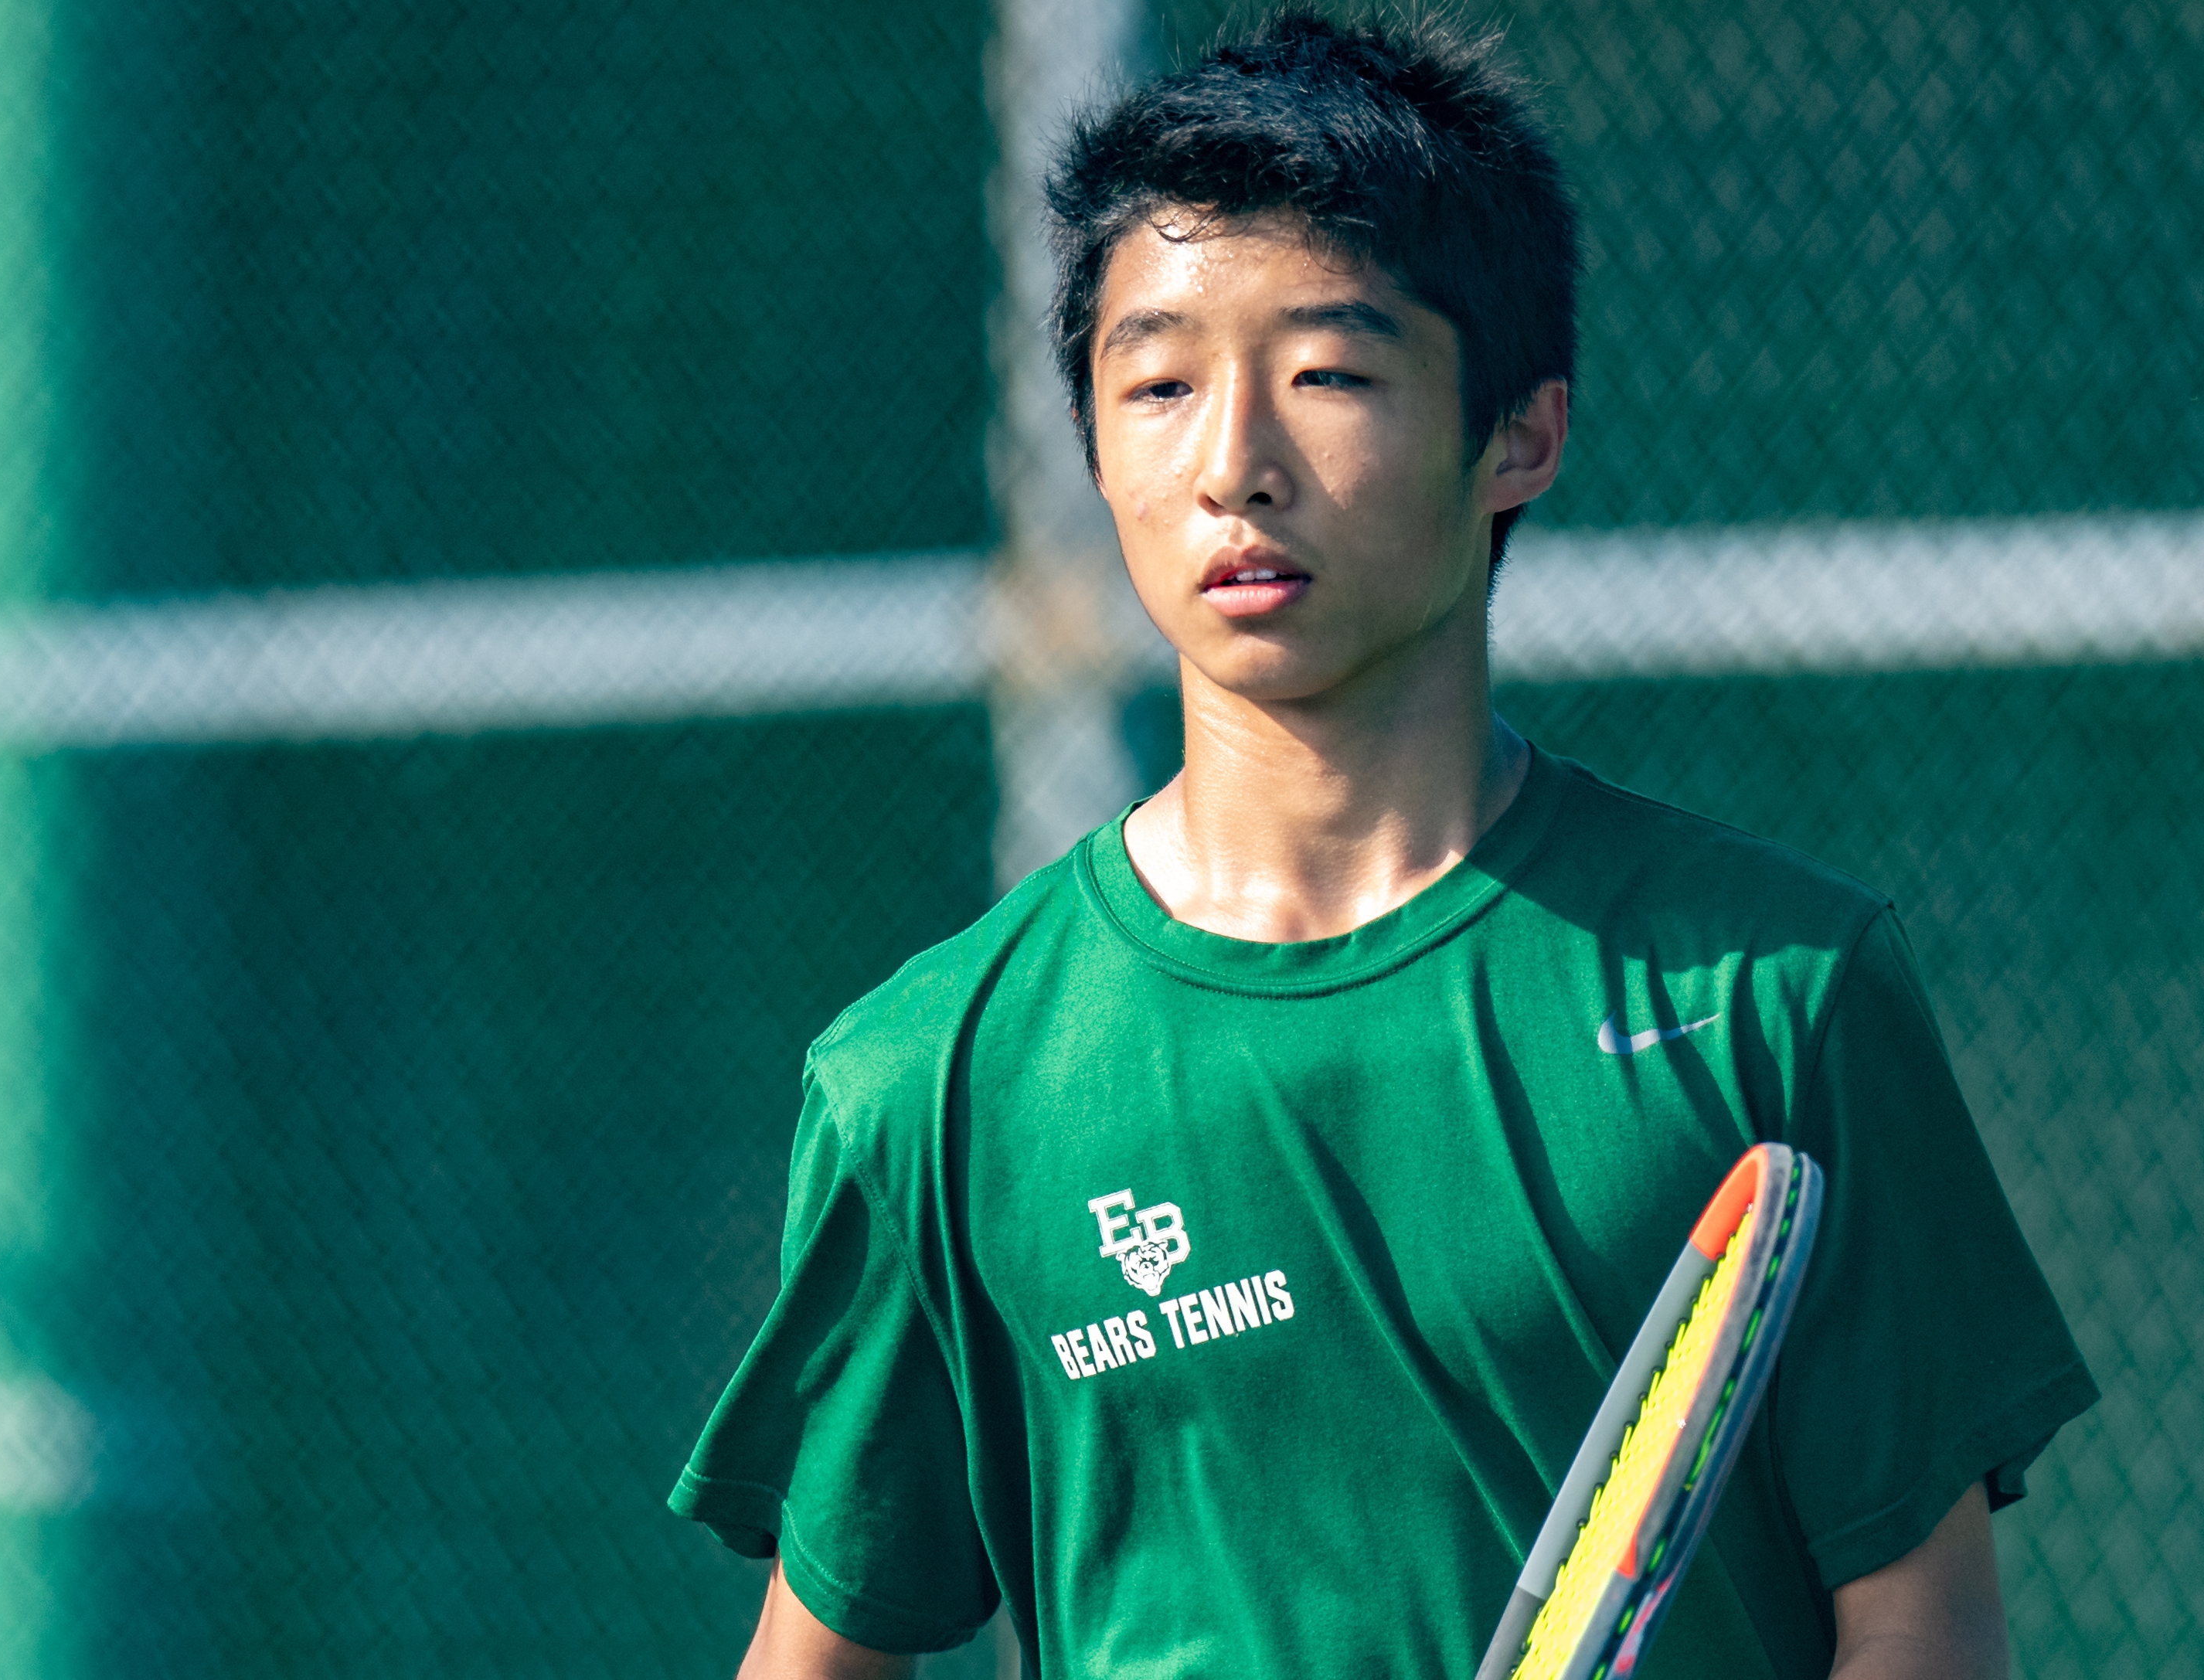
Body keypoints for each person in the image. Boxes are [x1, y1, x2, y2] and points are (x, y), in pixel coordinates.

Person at [671, 13, 2096, 1678]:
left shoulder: (1778, 995)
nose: (1232, 465)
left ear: (1519, 434)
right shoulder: (925, 1081)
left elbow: (1923, 1634)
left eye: (1330, 374)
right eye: (1157, 383)